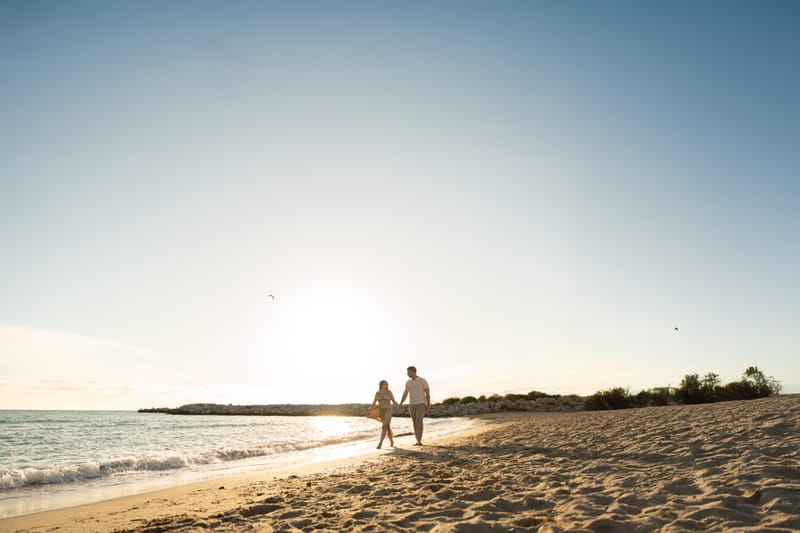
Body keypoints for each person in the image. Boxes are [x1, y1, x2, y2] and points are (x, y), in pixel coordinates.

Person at [398, 365, 430, 446]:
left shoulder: (423, 381)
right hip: (412, 404)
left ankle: (419, 440)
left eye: (408, 372)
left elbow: (427, 393)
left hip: (421, 403)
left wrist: (428, 404)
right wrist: (401, 403)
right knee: (414, 422)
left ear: (413, 372)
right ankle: (417, 440)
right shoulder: (408, 382)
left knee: (419, 421)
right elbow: (405, 394)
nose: (407, 374)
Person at [367, 380, 399, 449]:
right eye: (385, 384)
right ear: (381, 385)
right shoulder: (377, 393)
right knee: (387, 427)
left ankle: (380, 443)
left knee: (384, 426)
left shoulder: (389, 392)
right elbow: (374, 403)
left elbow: (393, 401)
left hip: (388, 410)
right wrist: (369, 411)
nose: (386, 385)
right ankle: (392, 441)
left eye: (387, 384)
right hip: (381, 411)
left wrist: (399, 406)